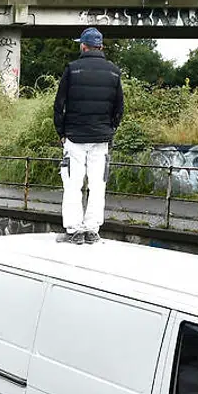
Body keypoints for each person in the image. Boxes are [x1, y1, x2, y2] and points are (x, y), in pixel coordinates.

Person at [53, 27, 124, 244]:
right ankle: (92, 230)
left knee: (73, 184)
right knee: (97, 184)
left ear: (83, 46)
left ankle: (74, 230)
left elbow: (59, 104)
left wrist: (62, 132)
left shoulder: (72, 69)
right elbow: (119, 107)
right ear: (100, 46)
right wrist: (110, 129)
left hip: (74, 137)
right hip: (101, 139)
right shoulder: (113, 71)